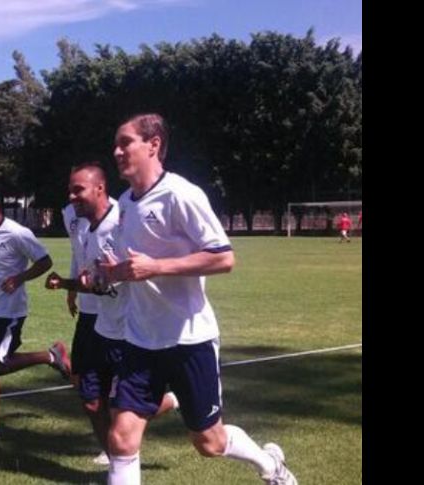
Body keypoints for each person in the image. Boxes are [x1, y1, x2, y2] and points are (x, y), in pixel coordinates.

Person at [100, 114, 297, 485]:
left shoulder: (181, 194)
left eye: (126, 142)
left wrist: (155, 266)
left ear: (153, 144)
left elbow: (223, 257)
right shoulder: (125, 202)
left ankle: (271, 466)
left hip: (189, 339)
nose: (117, 151)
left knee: (209, 442)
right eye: (116, 144)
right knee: (121, 436)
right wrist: (116, 271)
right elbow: (139, 267)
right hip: (140, 338)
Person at [45, 162, 179, 467]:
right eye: (70, 190)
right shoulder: (80, 221)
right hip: (97, 321)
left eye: (78, 190)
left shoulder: (123, 221)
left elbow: (127, 275)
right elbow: (84, 263)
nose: (71, 197)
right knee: (91, 400)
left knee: (124, 407)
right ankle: (114, 456)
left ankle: (170, 401)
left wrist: (88, 283)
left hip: (128, 327)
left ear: (100, 188)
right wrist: (72, 286)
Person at [0, 185, 72, 446]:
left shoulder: (18, 234)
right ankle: (50, 356)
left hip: (9, 311)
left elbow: (45, 262)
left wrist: (20, 277)